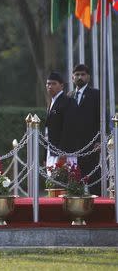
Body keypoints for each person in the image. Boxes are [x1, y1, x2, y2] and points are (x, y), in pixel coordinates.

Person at [68, 64, 100, 195]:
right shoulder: (69, 95)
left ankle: (98, 206)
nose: (79, 77)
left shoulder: (96, 94)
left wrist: (99, 140)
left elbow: (100, 119)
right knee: (74, 179)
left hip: (91, 144)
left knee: (93, 177)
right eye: (77, 75)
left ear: (88, 77)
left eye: (83, 74)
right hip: (73, 146)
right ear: (72, 77)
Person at [44, 72, 76, 168]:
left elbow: (69, 128)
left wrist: (63, 153)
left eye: (54, 84)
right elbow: (47, 132)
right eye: (48, 84)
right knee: (51, 181)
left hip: (63, 153)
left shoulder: (68, 101)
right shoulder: (52, 103)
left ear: (61, 86)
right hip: (51, 151)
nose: (50, 86)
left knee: (64, 181)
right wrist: (44, 156)